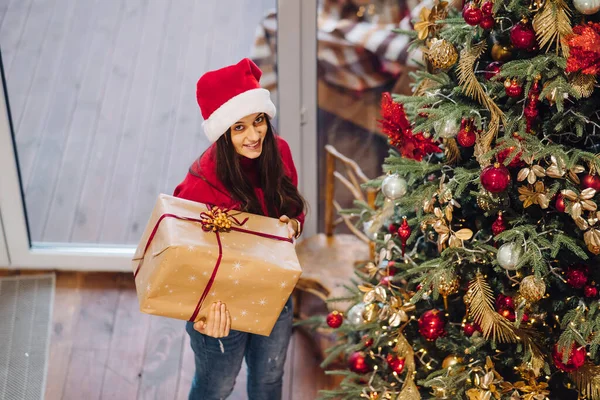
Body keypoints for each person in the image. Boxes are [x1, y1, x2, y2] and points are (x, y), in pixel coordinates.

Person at [172, 58, 306, 400]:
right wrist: (199, 314)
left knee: (269, 381)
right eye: (239, 127)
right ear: (222, 133)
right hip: (220, 308)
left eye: (258, 121)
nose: (254, 135)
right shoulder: (202, 181)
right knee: (217, 386)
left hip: (273, 289)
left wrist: (291, 225)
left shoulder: (280, 152)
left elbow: (292, 211)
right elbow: (180, 255)